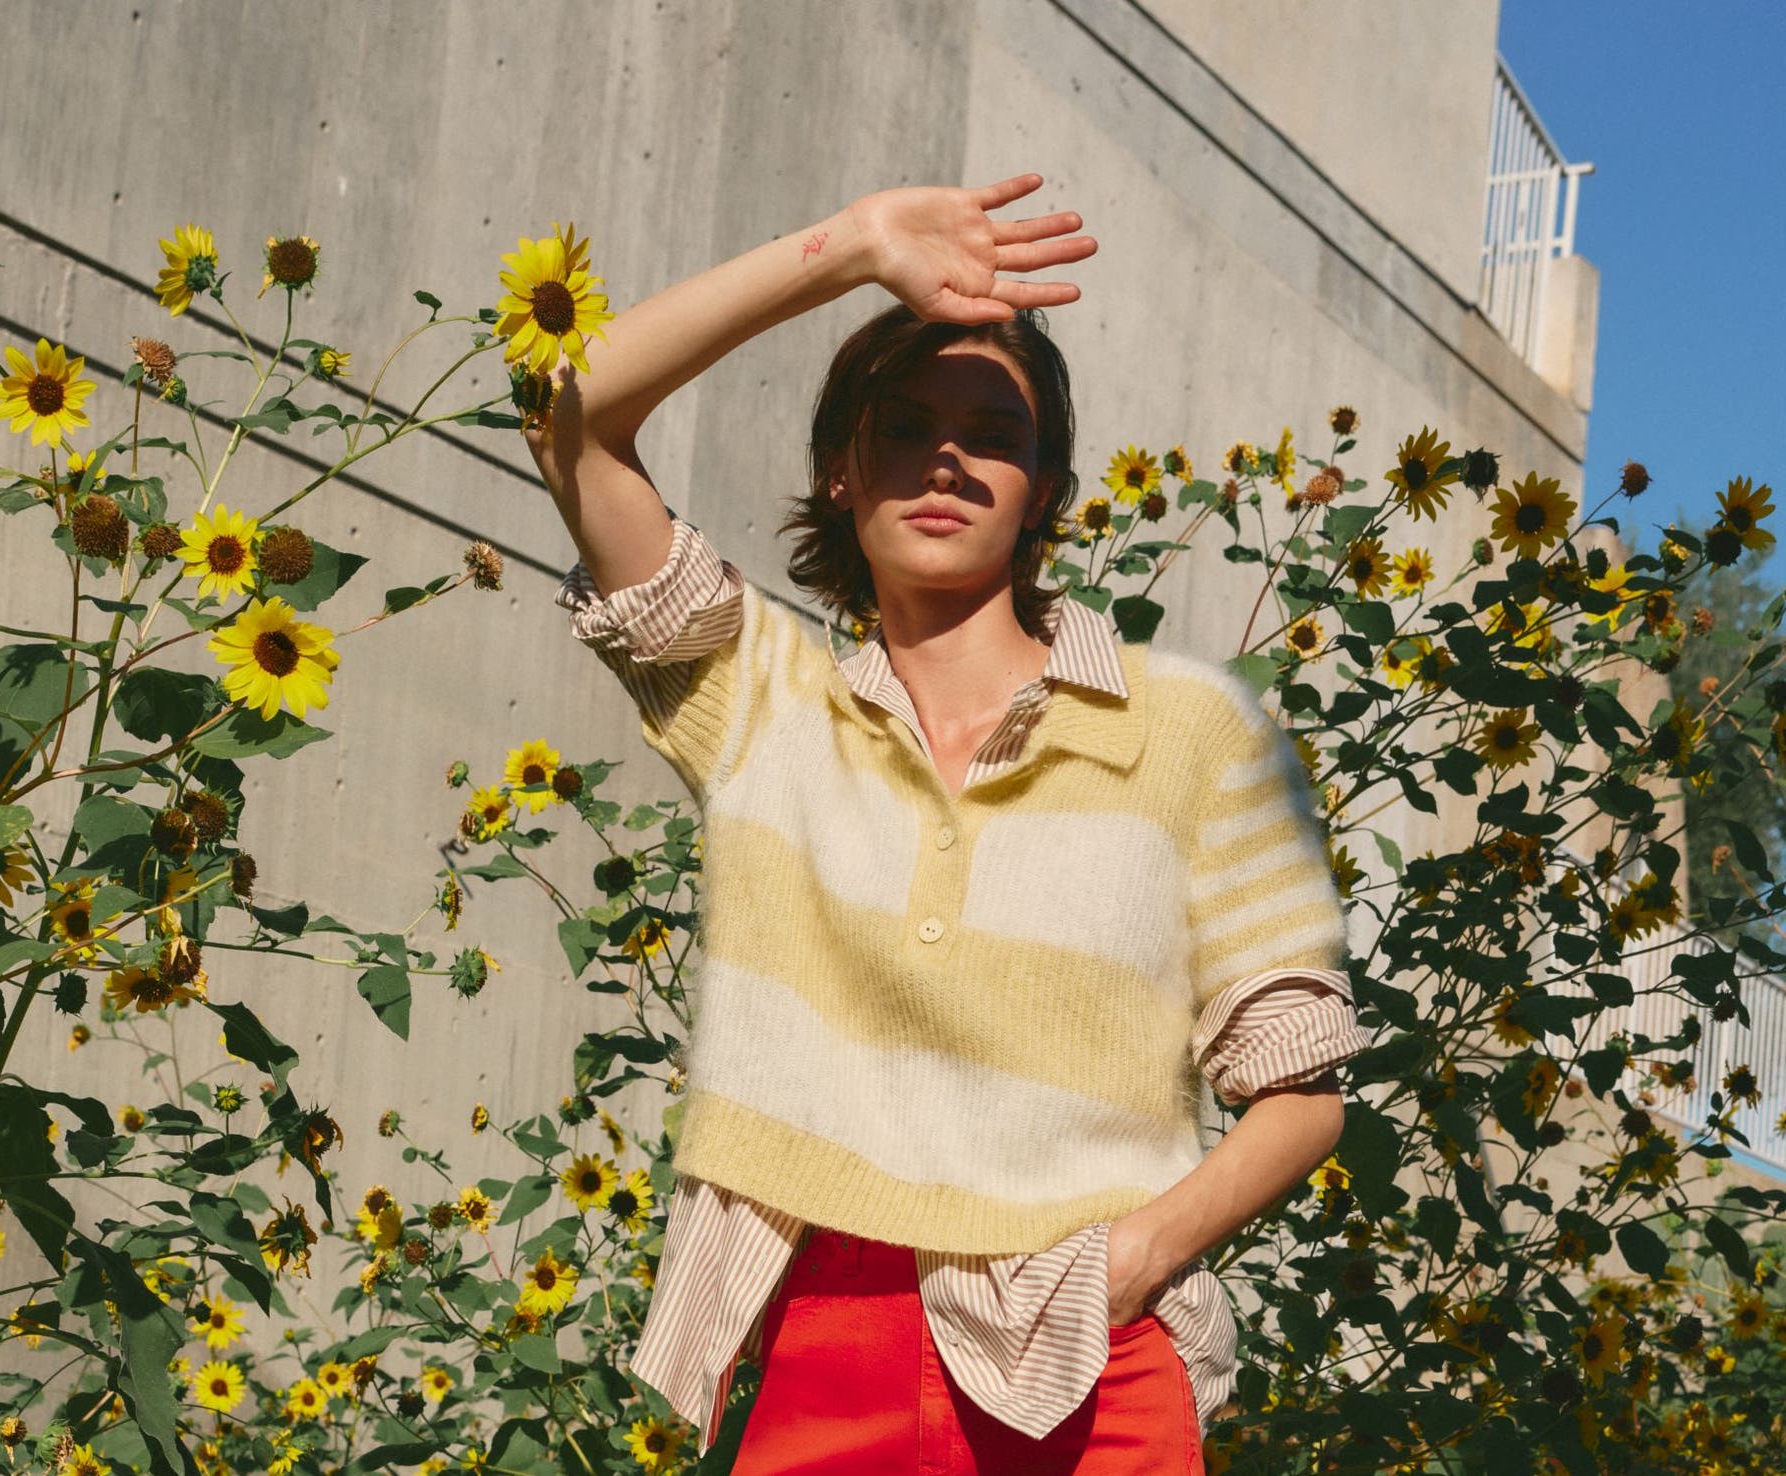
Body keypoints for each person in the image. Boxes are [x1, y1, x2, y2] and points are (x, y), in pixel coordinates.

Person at [521, 181, 1364, 1475]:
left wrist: (1131, 1259)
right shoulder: (762, 700)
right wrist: (848, 248)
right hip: (819, 1341)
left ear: (1046, 492)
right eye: (904, 428)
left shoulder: (1191, 734)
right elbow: (572, 421)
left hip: (1089, 1361)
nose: (947, 459)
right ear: (839, 472)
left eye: (993, 433)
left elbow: (1300, 1094)